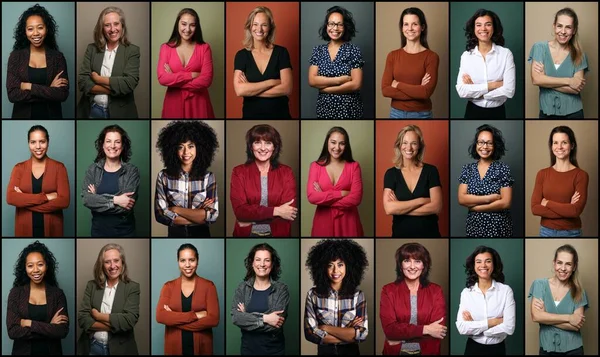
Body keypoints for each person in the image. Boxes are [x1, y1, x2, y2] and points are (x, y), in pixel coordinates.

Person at [230, 124, 297, 237]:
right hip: (246, 234)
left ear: (274, 147)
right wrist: (276, 211)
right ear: (251, 146)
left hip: (278, 234)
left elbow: (290, 212)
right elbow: (240, 212)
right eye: (257, 142)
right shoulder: (239, 172)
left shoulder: (286, 172)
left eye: (268, 143)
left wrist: (252, 218)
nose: (262, 148)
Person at [379, 243, 446, 355]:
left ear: (424, 265)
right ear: (400, 265)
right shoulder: (388, 290)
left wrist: (400, 337)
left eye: (417, 261)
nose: (412, 266)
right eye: (406, 261)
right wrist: (426, 329)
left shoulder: (436, 291)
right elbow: (390, 330)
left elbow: (439, 330)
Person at [155, 121, 219, 237]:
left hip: (202, 236)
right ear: (173, 149)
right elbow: (160, 215)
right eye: (180, 147)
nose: (186, 152)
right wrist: (200, 217)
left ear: (199, 148)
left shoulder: (208, 177)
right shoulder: (163, 176)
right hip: (175, 235)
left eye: (191, 146)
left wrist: (175, 209)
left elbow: (213, 216)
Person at [304, 239, 369, 355]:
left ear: (348, 266)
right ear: (322, 268)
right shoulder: (313, 295)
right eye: (330, 265)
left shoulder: (358, 295)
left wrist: (325, 328)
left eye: (340, 265)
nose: (335, 271)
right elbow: (310, 334)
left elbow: (362, 334)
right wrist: (350, 335)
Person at [6, 4, 69, 118]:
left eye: (40, 27)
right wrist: (49, 90)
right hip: (22, 117)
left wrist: (29, 86)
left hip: (52, 116)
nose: (35, 33)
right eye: (30, 29)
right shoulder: (16, 57)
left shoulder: (57, 57)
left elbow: (62, 94)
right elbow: (13, 95)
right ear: (24, 31)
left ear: (47, 29)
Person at [6, 241, 69, 355]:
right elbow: (13, 331)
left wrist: (29, 323)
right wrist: (49, 327)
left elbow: (62, 331)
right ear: (25, 268)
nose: (35, 270)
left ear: (47, 265)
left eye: (40, 264)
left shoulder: (57, 294)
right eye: (30, 265)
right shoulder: (16, 293)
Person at [6, 125, 70, 237]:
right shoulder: (19, 168)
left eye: (42, 141)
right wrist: (45, 197)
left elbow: (64, 201)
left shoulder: (59, 167)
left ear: (48, 142)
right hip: (24, 228)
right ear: (28, 144)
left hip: (52, 229)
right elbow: (11, 198)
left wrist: (24, 202)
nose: (38, 146)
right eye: (33, 142)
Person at [156, 243, 220, 355]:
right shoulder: (168, 287)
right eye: (183, 260)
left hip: (202, 348)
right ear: (178, 262)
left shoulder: (209, 286)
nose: (187, 265)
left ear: (197, 261)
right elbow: (160, 316)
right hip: (174, 348)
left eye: (191, 260)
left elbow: (213, 319)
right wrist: (195, 315)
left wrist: (174, 320)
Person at [77, 243, 140, 355]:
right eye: (107, 262)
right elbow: (82, 319)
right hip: (92, 347)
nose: (112, 266)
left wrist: (98, 316)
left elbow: (129, 320)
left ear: (122, 262)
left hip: (121, 349)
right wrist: (117, 326)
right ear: (102, 265)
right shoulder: (91, 286)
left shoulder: (132, 287)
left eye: (116, 260)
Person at [77, 6, 140, 118]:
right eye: (107, 25)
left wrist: (98, 79)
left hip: (120, 113)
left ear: (122, 26)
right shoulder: (92, 49)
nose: (112, 29)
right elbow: (82, 82)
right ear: (102, 28)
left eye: (116, 24)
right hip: (92, 110)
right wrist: (116, 89)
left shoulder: (132, 51)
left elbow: (129, 84)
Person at [233, 6, 292, 118]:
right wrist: (271, 82)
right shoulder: (241, 55)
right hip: (251, 116)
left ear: (270, 28)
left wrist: (251, 89)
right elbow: (240, 90)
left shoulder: (281, 52)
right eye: (255, 24)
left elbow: (287, 88)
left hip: (280, 116)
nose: (259, 29)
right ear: (250, 27)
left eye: (264, 25)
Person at [383, 125, 442, 237]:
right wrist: (421, 200)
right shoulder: (391, 174)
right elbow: (389, 209)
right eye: (405, 143)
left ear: (419, 146)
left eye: (413, 143)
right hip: (400, 236)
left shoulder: (431, 171)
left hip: (430, 235)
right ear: (399, 145)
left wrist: (400, 209)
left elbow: (436, 207)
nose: (409, 148)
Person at [82, 125, 140, 237]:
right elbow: (87, 200)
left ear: (122, 146)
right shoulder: (92, 170)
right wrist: (116, 199)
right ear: (102, 145)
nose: (112, 146)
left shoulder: (132, 171)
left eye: (117, 142)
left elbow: (126, 205)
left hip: (125, 232)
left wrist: (97, 198)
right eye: (108, 141)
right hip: (98, 231)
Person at [456, 9, 515, 119]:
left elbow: (509, 90)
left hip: (498, 112)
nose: (483, 29)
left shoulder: (506, 54)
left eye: (488, 24)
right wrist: (494, 85)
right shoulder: (466, 56)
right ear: (474, 29)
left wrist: (476, 91)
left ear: (494, 28)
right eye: (478, 25)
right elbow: (462, 91)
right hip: (472, 111)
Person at [231, 243, 290, 355]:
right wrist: (266, 318)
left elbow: (276, 324)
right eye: (258, 260)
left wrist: (247, 316)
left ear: (272, 264)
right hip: (248, 350)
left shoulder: (281, 289)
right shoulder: (242, 288)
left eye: (267, 260)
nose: (262, 264)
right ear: (252, 263)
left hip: (274, 351)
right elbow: (236, 318)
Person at [456, 246, 515, 355]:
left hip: (497, 349)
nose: (483, 265)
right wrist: (493, 322)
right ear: (474, 266)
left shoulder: (506, 291)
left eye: (488, 261)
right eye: (478, 262)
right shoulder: (466, 293)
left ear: (494, 264)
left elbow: (509, 327)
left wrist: (475, 327)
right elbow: (462, 328)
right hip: (472, 349)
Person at [529, 244, 588, 355]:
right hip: (547, 348)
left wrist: (545, 317)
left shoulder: (580, 292)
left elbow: (576, 325)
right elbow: (535, 316)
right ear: (554, 263)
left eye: (568, 264)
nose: (563, 268)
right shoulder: (539, 285)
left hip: (574, 350)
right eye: (559, 262)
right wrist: (569, 318)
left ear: (574, 267)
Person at [529, 8, 588, 118]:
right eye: (559, 26)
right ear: (554, 26)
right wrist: (569, 81)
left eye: (568, 27)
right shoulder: (539, 48)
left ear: (574, 30)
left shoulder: (580, 55)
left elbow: (576, 89)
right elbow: (536, 79)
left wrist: (545, 80)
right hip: (546, 111)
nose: (563, 31)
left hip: (574, 113)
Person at [381, 7, 439, 118]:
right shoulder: (392, 55)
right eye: (406, 24)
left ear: (422, 27)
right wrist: (418, 89)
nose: (410, 28)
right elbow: (385, 90)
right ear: (402, 28)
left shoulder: (431, 57)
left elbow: (425, 93)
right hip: (396, 113)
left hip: (422, 114)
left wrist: (398, 84)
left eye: (415, 24)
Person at [308, 6, 364, 119]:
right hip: (324, 109)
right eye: (331, 24)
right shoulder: (318, 50)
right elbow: (312, 80)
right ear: (326, 26)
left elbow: (356, 84)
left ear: (345, 27)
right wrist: (339, 80)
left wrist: (327, 89)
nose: (335, 28)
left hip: (349, 110)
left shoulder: (353, 50)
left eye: (340, 24)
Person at [457, 124, 513, 237]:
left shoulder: (503, 168)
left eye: (489, 143)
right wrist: (489, 198)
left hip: (498, 227)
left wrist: (477, 208)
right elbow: (462, 199)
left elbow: (506, 202)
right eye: (481, 142)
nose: (484, 146)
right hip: (474, 226)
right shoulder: (467, 169)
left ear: (495, 145)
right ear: (476, 144)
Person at [531, 126, 588, 237]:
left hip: (572, 233)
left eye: (564, 142)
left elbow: (575, 211)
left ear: (572, 145)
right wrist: (567, 208)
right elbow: (535, 208)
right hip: (545, 232)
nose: (559, 147)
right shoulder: (542, 174)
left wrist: (547, 203)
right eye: (555, 143)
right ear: (551, 146)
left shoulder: (581, 175)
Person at [157, 8, 215, 118]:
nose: (187, 29)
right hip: (173, 103)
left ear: (197, 27)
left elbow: (206, 80)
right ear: (177, 24)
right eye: (184, 24)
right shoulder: (166, 48)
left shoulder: (204, 48)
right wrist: (192, 75)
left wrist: (174, 79)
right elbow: (162, 78)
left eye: (192, 25)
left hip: (199, 103)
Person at [307, 126, 363, 237]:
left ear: (346, 146)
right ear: (327, 143)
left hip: (348, 221)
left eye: (342, 143)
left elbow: (356, 198)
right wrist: (342, 193)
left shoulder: (354, 166)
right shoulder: (315, 166)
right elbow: (312, 197)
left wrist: (324, 199)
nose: (337, 147)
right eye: (333, 142)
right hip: (323, 221)